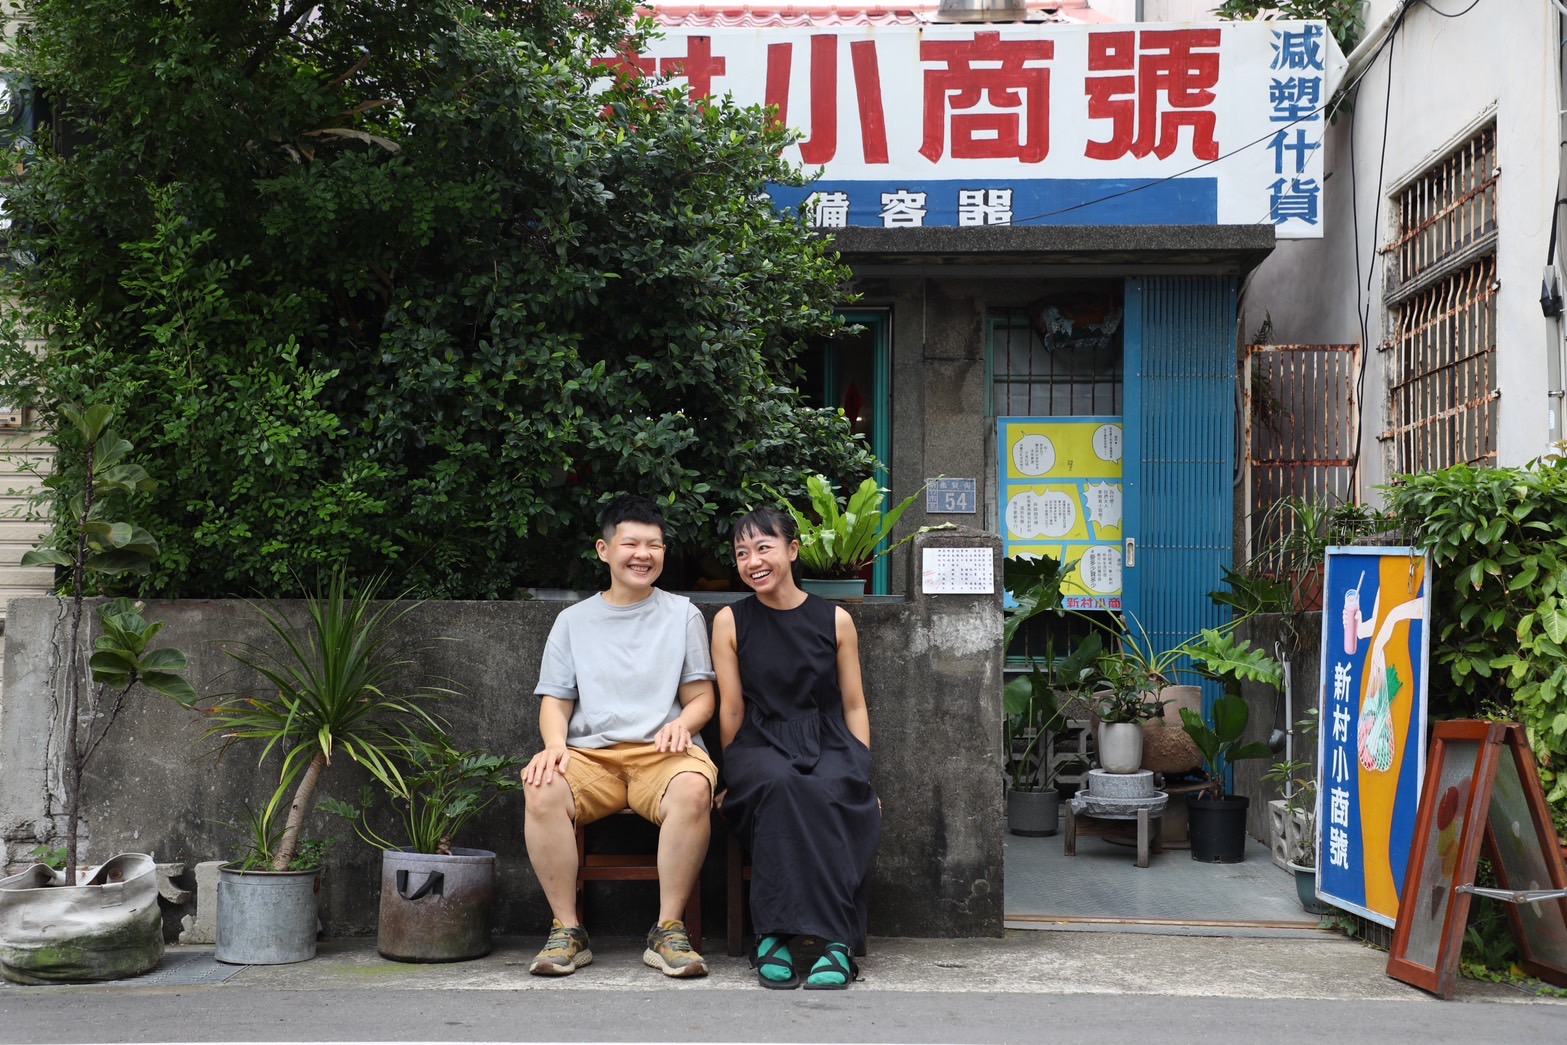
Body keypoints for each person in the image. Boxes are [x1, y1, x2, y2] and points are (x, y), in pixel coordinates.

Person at [522, 494, 718, 979]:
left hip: (663, 754)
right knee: (541, 786)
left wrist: (684, 723)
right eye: (630, 542)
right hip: (592, 757)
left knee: (694, 788)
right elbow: (556, 699)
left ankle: (668, 930)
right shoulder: (573, 621)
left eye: (654, 545)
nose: (643, 554)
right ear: (603, 550)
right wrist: (553, 746)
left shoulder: (683, 615)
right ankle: (568, 930)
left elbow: (702, 697)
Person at [710, 505, 881, 990]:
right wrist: (731, 778)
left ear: (792, 549)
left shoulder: (836, 620)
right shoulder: (729, 620)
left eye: (763, 547)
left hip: (827, 737)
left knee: (830, 788)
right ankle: (773, 934)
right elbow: (731, 710)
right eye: (742, 553)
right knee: (781, 785)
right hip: (759, 740)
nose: (752, 561)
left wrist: (859, 773)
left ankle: (835, 943)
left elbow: (853, 706)